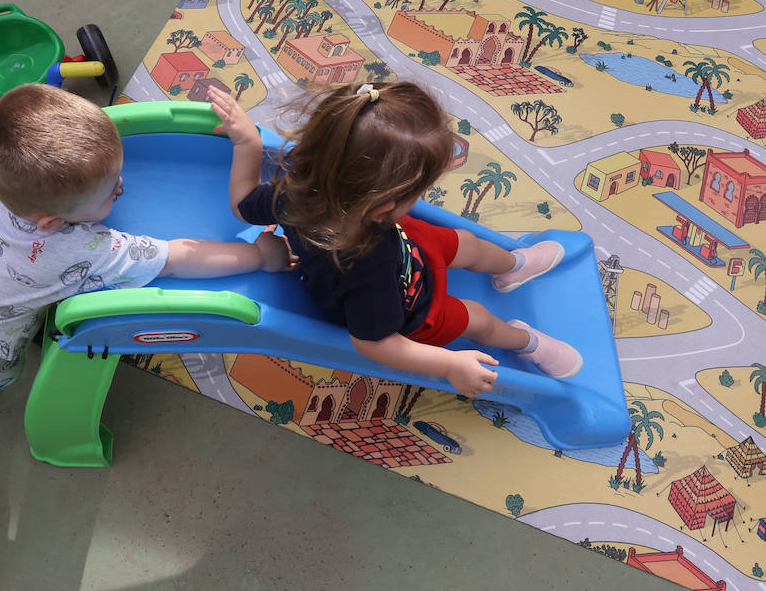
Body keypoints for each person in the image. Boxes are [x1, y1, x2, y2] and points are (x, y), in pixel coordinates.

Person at [0, 83, 292, 405]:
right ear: (53, 222)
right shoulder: (75, 250)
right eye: (111, 191)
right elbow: (177, 257)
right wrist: (258, 255)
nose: (122, 187)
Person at [209, 81, 581, 398]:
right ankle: (525, 341)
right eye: (418, 190)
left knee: (466, 243)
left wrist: (247, 145)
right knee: (478, 319)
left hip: (404, 244)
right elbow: (374, 342)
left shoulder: (295, 188)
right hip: (411, 305)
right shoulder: (365, 269)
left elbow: (243, 206)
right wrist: (450, 363)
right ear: (384, 205)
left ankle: (514, 266)